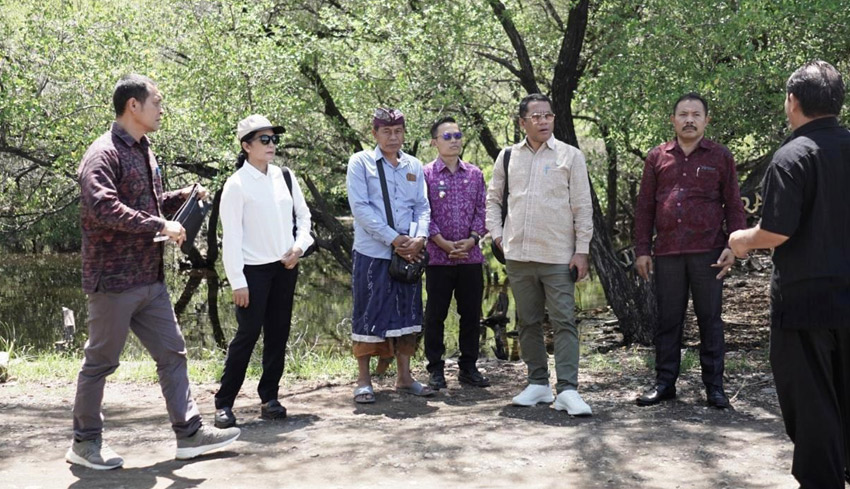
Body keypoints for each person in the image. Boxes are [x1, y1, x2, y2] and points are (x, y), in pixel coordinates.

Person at [67, 74, 240, 470]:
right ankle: (84, 442)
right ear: (134, 106)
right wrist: (161, 226)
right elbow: (103, 207)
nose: (161, 109)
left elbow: (145, 202)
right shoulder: (102, 153)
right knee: (100, 362)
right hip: (113, 281)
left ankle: (190, 432)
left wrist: (179, 199)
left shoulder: (143, 148)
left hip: (149, 279)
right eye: (156, 102)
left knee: (172, 352)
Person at [729, 61, 850, 489]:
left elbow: (777, 231)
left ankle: (823, 480)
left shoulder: (791, 156)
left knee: (812, 398)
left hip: (805, 301)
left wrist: (742, 239)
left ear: (793, 101)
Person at [633, 92, 746, 409]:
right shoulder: (657, 157)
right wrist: (642, 249)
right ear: (673, 119)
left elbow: (734, 206)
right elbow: (644, 209)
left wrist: (732, 246)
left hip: (709, 251)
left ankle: (715, 388)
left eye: (696, 114)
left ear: (707, 120)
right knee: (668, 320)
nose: (689, 119)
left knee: (710, 320)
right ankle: (664, 383)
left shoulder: (720, 156)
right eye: (683, 114)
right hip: (667, 251)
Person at [485, 93, 594, 415]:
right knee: (528, 321)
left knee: (564, 322)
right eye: (536, 117)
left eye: (548, 115)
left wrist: (582, 251)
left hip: (559, 255)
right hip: (518, 255)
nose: (544, 121)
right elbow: (493, 200)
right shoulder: (507, 157)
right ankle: (537, 384)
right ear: (522, 122)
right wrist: (497, 235)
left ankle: (568, 391)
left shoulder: (570, 156)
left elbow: (582, 207)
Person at [213, 114, 314, 428]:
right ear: (246, 146)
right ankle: (224, 404)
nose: (271, 145)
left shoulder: (284, 176)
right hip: (252, 272)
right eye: (264, 140)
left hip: (286, 267)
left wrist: (299, 247)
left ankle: (269, 397)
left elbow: (305, 218)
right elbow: (231, 238)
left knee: (278, 333)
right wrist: (237, 282)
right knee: (247, 335)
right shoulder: (236, 185)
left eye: (274, 139)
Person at [346, 107, 434, 403]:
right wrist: (394, 238)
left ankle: (405, 377)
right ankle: (363, 380)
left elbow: (422, 205)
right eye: (387, 131)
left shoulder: (413, 165)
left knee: (409, 313)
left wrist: (420, 238)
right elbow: (360, 209)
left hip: (409, 253)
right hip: (373, 252)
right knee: (369, 313)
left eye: (398, 131)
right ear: (374, 133)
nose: (393, 137)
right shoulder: (361, 163)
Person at [422, 116, 490, 390]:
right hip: (438, 258)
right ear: (434, 142)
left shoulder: (474, 174)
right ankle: (435, 369)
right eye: (447, 136)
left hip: (470, 257)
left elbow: (483, 210)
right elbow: (421, 211)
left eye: (457, 136)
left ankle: (469, 367)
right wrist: (441, 241)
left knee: (471, 314)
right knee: (435, 315)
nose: (454, 141)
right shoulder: (424, 174)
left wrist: (472, 240)